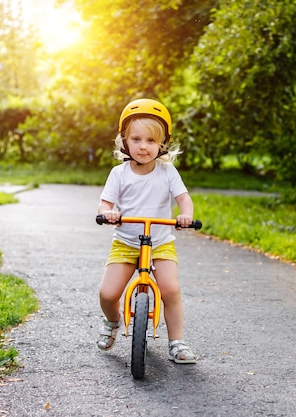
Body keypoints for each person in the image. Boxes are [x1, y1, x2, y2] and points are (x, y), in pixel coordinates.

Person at [96, 98, 196, 364]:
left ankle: (177, 342)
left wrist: (186, 215)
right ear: (124, 142)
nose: (143, 146)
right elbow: (105, 201)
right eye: (137, 139)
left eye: (151, 141)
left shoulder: (168, 172)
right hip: (126, 242)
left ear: (162, 144)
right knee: (107, 293)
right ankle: (112, 322)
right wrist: (108, 212)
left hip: (160, 242)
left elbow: (183, 199)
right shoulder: (119, 173)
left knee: (171, 289)